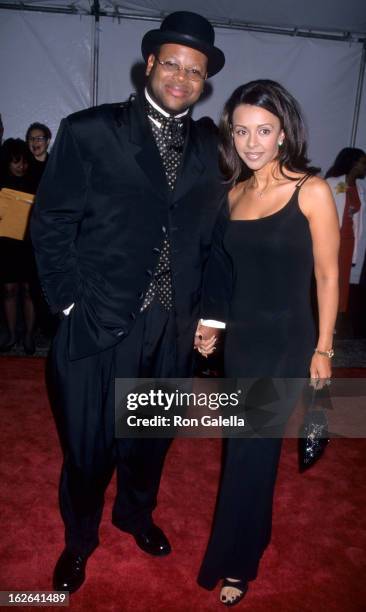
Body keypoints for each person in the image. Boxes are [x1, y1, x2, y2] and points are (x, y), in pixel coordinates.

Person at [31, 11, 226, 594]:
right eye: (172, 63)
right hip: (98, 319)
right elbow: (51, 221)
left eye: (195, 71)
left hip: (172, 325)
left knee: (149, 438)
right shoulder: (91, 129)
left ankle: (135, 516)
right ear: (150, 65)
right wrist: (67, 303)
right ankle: (80, 539)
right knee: (88, 446)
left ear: (204, 81)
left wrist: (209, 314)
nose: (182, 77)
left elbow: (217, 238)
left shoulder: (214, 146)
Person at [195, 80, 339, 606]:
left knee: (249, 455)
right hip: (244, 342)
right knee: (245, 450)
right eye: (241, 130)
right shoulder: (233, 193)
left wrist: (323, 348)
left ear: (284, 133)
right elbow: (226, 275)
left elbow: (327, 277)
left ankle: (236, 563)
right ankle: (251, 539)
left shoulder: (312, 191)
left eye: (263, 130)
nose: (252, 141)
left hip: (286, 340)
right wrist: (211, 324)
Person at [0, 138, 37, 354]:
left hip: (29, 243)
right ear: (7, 162)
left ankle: (29, 335)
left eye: (23, 162)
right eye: (16, 162)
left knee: (28, 289)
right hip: (6, 244)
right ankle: (12, 334)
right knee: (9, 289)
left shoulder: (35, 181)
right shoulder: (1, 184)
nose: (21, 166)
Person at [325, 148, 366, 317]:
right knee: (330, 280)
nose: (365, 166)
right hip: (332, 240)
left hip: (349, 241)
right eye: (363, 162)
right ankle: (326, 315)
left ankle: (337, 315)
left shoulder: (359, 187)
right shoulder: (334, 183)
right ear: (353, 163)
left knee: (342, 280)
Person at [26, 122, 52, 191]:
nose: (35, 142)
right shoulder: (23, 165)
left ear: (48, 141)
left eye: (39, 138)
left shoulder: (54, 164)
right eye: (31, 138)